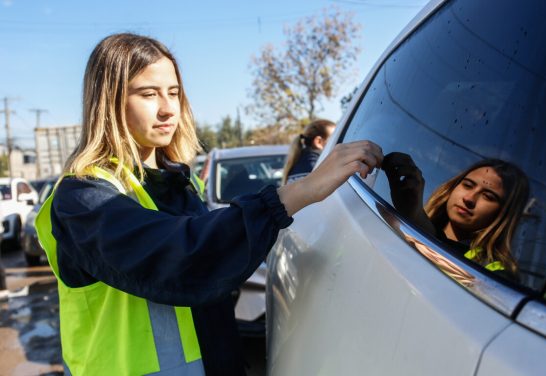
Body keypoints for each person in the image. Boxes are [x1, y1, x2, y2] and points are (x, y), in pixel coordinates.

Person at [34, 33, 382, 376]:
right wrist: (300, 191)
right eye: (148, 94)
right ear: (108, 102)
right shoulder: (82, 198)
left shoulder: (181, 181)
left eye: (173, 93)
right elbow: (181, 254)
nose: (168, 109)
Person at [382, 152, 529, 276]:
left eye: (488, 196)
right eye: (467, 185)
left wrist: (415, 217)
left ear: (504, 214)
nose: (469, 198)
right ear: (452, 187)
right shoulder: (400, 221)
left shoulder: (495, 272)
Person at [282, 119, 336, 185]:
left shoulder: (298, 162)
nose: (339, 143)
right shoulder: (317, 166)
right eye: (334, 138)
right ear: (318, 141)